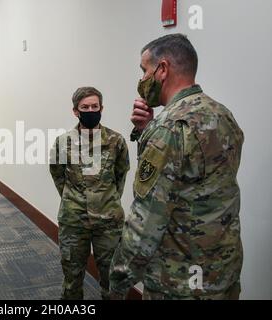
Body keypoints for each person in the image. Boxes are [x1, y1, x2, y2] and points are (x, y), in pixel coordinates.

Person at [109, 34, 244, 300]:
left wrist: (118, 281)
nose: (142, 79)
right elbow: (196, 182)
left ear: (162, 69)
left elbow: (146, 221)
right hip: (223, 273)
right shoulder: (222, 114)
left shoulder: (170, 127)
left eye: (144, 70)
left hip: (179, 282)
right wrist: (146, 131)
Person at [49, 87, 130, 299]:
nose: (91, 110)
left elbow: (120, 175)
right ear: (76, 111)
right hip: (74, 220)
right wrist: (73, 199)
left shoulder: (116, 141)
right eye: (85, 107)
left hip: (108, 221)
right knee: (72, 279)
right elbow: (57, 174)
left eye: (95, 106)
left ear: (102, 108)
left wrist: (108, 200)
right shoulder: (63, 142)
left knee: (112, 279)